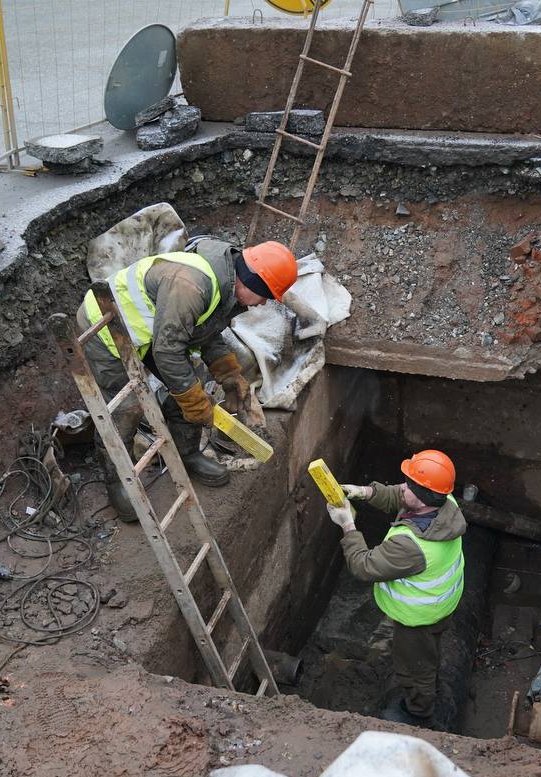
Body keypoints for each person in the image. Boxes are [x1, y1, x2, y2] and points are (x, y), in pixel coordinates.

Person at [76, 238, 297, 519]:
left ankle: (188, 452)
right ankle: (118, 480)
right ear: (253, 281)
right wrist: (194, 402)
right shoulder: (190, 285)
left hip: (152, 334)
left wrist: (228, 374)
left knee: (189, 386)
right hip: (105, 328)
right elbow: (168, 351)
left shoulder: (226, 286)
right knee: (127, 408)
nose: (263, 303)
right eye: (265, 296)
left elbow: (204, 333)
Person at [327, 449, 467, 727]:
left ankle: (418, 710)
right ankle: (427, 678)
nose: (403, 487)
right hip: (441, 605)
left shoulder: (412, 546)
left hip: (418, 621)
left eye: (409, 484)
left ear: (424, 496)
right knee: (428, 654)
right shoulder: (444, 503)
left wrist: (347, 524)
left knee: (415, 669)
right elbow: (400, 496)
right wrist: (364, 492)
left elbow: (363, 566)